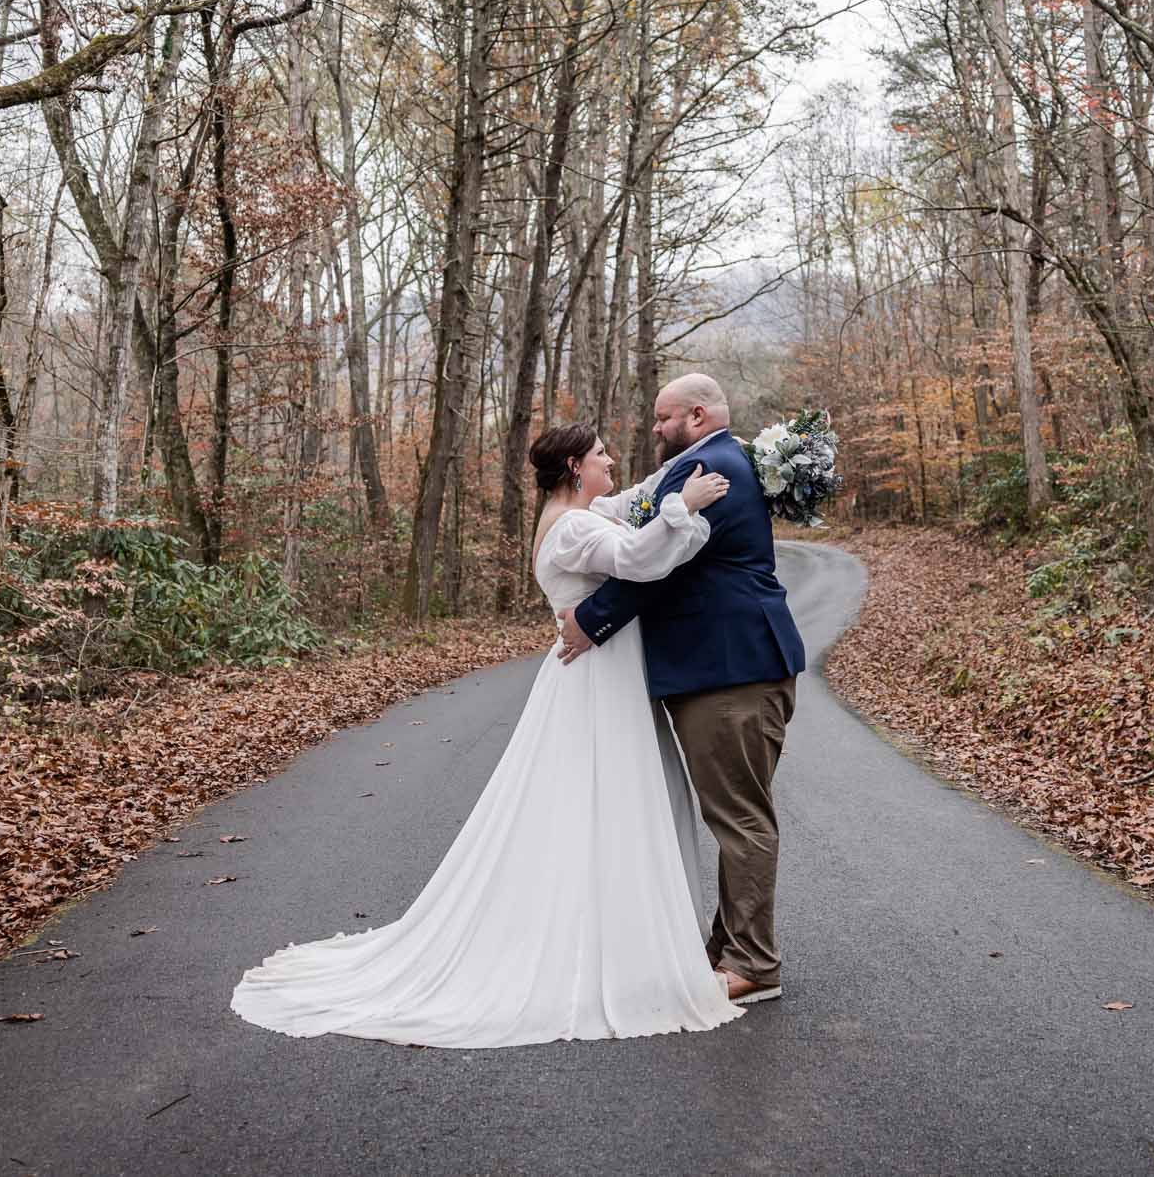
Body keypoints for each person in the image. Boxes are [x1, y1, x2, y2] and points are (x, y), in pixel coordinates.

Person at [228, 421, 743, 1046]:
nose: (613, 462)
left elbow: (628, 499)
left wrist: (700, 467)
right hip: (597, 678)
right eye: (602, 455)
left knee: (609, 801)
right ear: (576, 467)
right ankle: (607, 947)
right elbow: (638, 560)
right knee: (606, 799)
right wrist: (683, 509)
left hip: (603, 670)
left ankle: (620, 929)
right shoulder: (574, 527)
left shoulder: (576, 511)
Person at [558, 372, 805, 1005]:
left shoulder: (712, 471)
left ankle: (753, 964)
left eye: (663, 418)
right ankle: (728, 951)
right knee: (735, 813)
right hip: (728, 667)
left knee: (740, 817)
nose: (655, 429)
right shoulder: (712, 462)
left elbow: (658, 569)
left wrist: (591, 621)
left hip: (729, 670)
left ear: (696, 416)